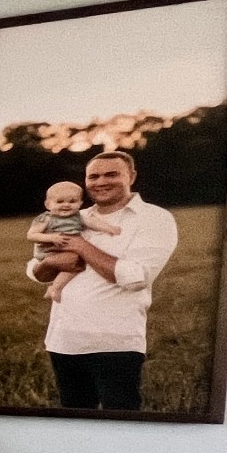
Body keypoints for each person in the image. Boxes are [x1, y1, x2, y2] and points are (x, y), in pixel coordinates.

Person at [26, 149, 177, 411]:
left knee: (120, 420)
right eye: (93, 176)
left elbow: (135, 278)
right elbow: (36, 269)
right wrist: (50, 263)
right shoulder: (76, 216)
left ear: (131, 175)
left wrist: (80, 246)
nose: (101, 181)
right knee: (74, 419)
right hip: (65, 340)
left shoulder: (154, 218)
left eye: (111, 174)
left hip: (115, 342)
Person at [26, 180, 120, 302]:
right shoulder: (46, 218)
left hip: (70, 251)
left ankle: (55, 288)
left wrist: (109, 228)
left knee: (75, 266)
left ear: (80, 203)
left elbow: (92, 223)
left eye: (72, 201)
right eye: (60, 201)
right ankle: (55, 288)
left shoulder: (78, 217)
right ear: (48, 204)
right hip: (49, 252)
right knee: (71, 264)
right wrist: (52, 237)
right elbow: (31, 235)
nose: (66, 205)